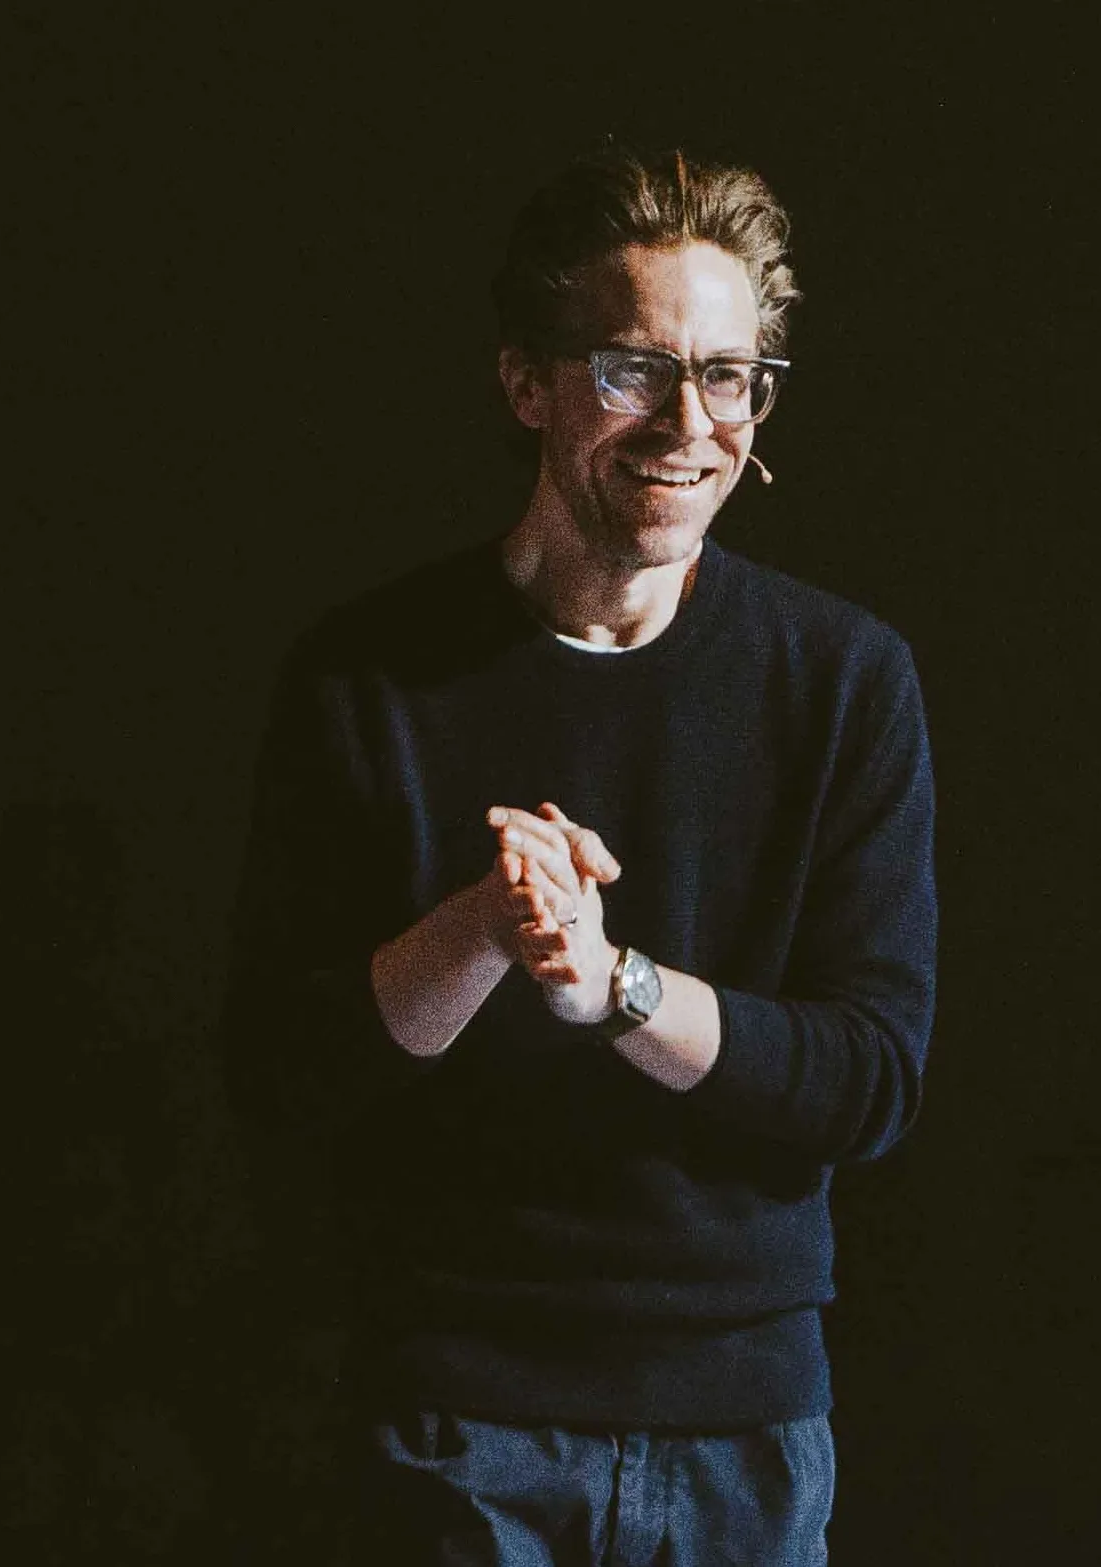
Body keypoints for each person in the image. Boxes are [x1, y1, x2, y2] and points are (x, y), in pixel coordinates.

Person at [222, 146, 937, 1565]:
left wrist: (614, 989)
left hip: (745, 1438)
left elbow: (872, 1077)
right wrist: (485, 928)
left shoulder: (845, 679)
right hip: (454, 1423)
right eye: (632, 370)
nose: (691, 421)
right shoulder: (366, 679)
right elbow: (284, 1075)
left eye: (729, 375)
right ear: (525, 382)